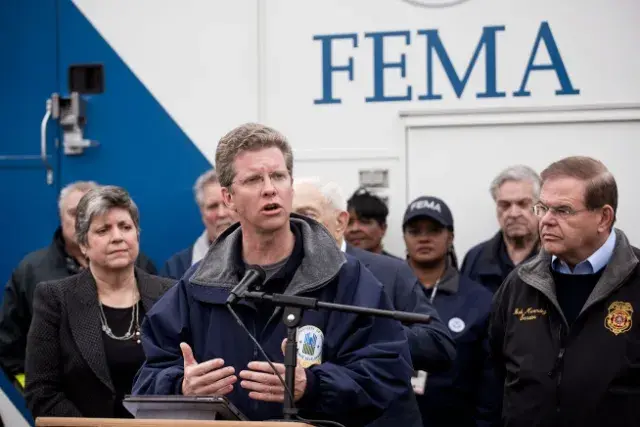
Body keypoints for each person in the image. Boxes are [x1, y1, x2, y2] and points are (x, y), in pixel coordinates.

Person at [132, 123, 414, 426]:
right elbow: (145, 380)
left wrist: (313, 386)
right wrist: (182, 387)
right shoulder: (197, 284)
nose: (270, 188)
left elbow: (389, 371)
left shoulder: (347, 277)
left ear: (290, 185)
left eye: (278, 176)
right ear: (228, 198)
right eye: (254, 179)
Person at [292, 177, 457, 427]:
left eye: (308, 214)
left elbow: (440, 344)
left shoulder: (389, 272)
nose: (296, 224)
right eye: (290, 216)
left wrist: (375, 334)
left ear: (340, 222)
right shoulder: (280, 277)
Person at [489, 156, 640, 426]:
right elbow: (496, 370)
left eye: (563, 210)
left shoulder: (635, 280)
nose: (545, 220)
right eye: (542, 208)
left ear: (604, 217)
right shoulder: (519, 283)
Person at [24, 186, 174, 418]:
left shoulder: (170, 294)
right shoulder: (55, 298)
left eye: (125, 227)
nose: (117, 237)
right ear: (84, 244)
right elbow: (41, 391)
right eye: (103, 230)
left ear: (137, 234)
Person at [0, 181, 156, 393]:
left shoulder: (141, 265)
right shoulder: (32, 272)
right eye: (75, 213)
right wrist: (33, 391)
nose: (117, 237)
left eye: (125, 227)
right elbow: (9, 342)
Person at [403, 196, 500, 427]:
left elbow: (490, 380)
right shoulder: (384, 290)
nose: (424, 238)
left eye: (434, 230)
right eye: (415, 231)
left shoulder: (479, 299)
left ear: (450, 237)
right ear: (404, 238)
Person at [461, 165, 540, 293]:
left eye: (523, 204)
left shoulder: (559, 259)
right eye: (505, 205)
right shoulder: (475, 259)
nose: (513, 213)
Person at [160, 169, 238, 279]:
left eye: (227, 204)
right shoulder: (176, 269)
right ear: (202, 212)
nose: (221, 213)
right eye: (212, 206)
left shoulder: (266, 256)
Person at [345, 188, 400, 258]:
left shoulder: (398, 267)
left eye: (364, 222)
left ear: (383, 228)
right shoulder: (333, 267)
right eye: (348, 223)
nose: (354, 229)